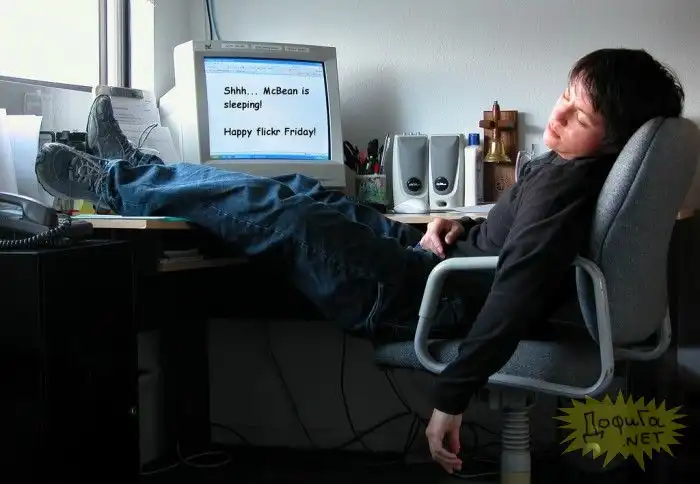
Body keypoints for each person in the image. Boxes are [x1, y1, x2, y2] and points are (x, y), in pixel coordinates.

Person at [35, 48, 684, 474]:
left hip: (428, 297)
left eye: (581, 113)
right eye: (567, 93)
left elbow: (521, 281)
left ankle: (116, 180)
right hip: (434, 267)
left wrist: (451, 396)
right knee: (302, 192)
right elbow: (518, 242)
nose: (560, 113)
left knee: (281, 211)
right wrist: (461, 225)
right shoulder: (569, 169)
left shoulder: (568, 184)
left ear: (617, 140)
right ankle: (136, 170)